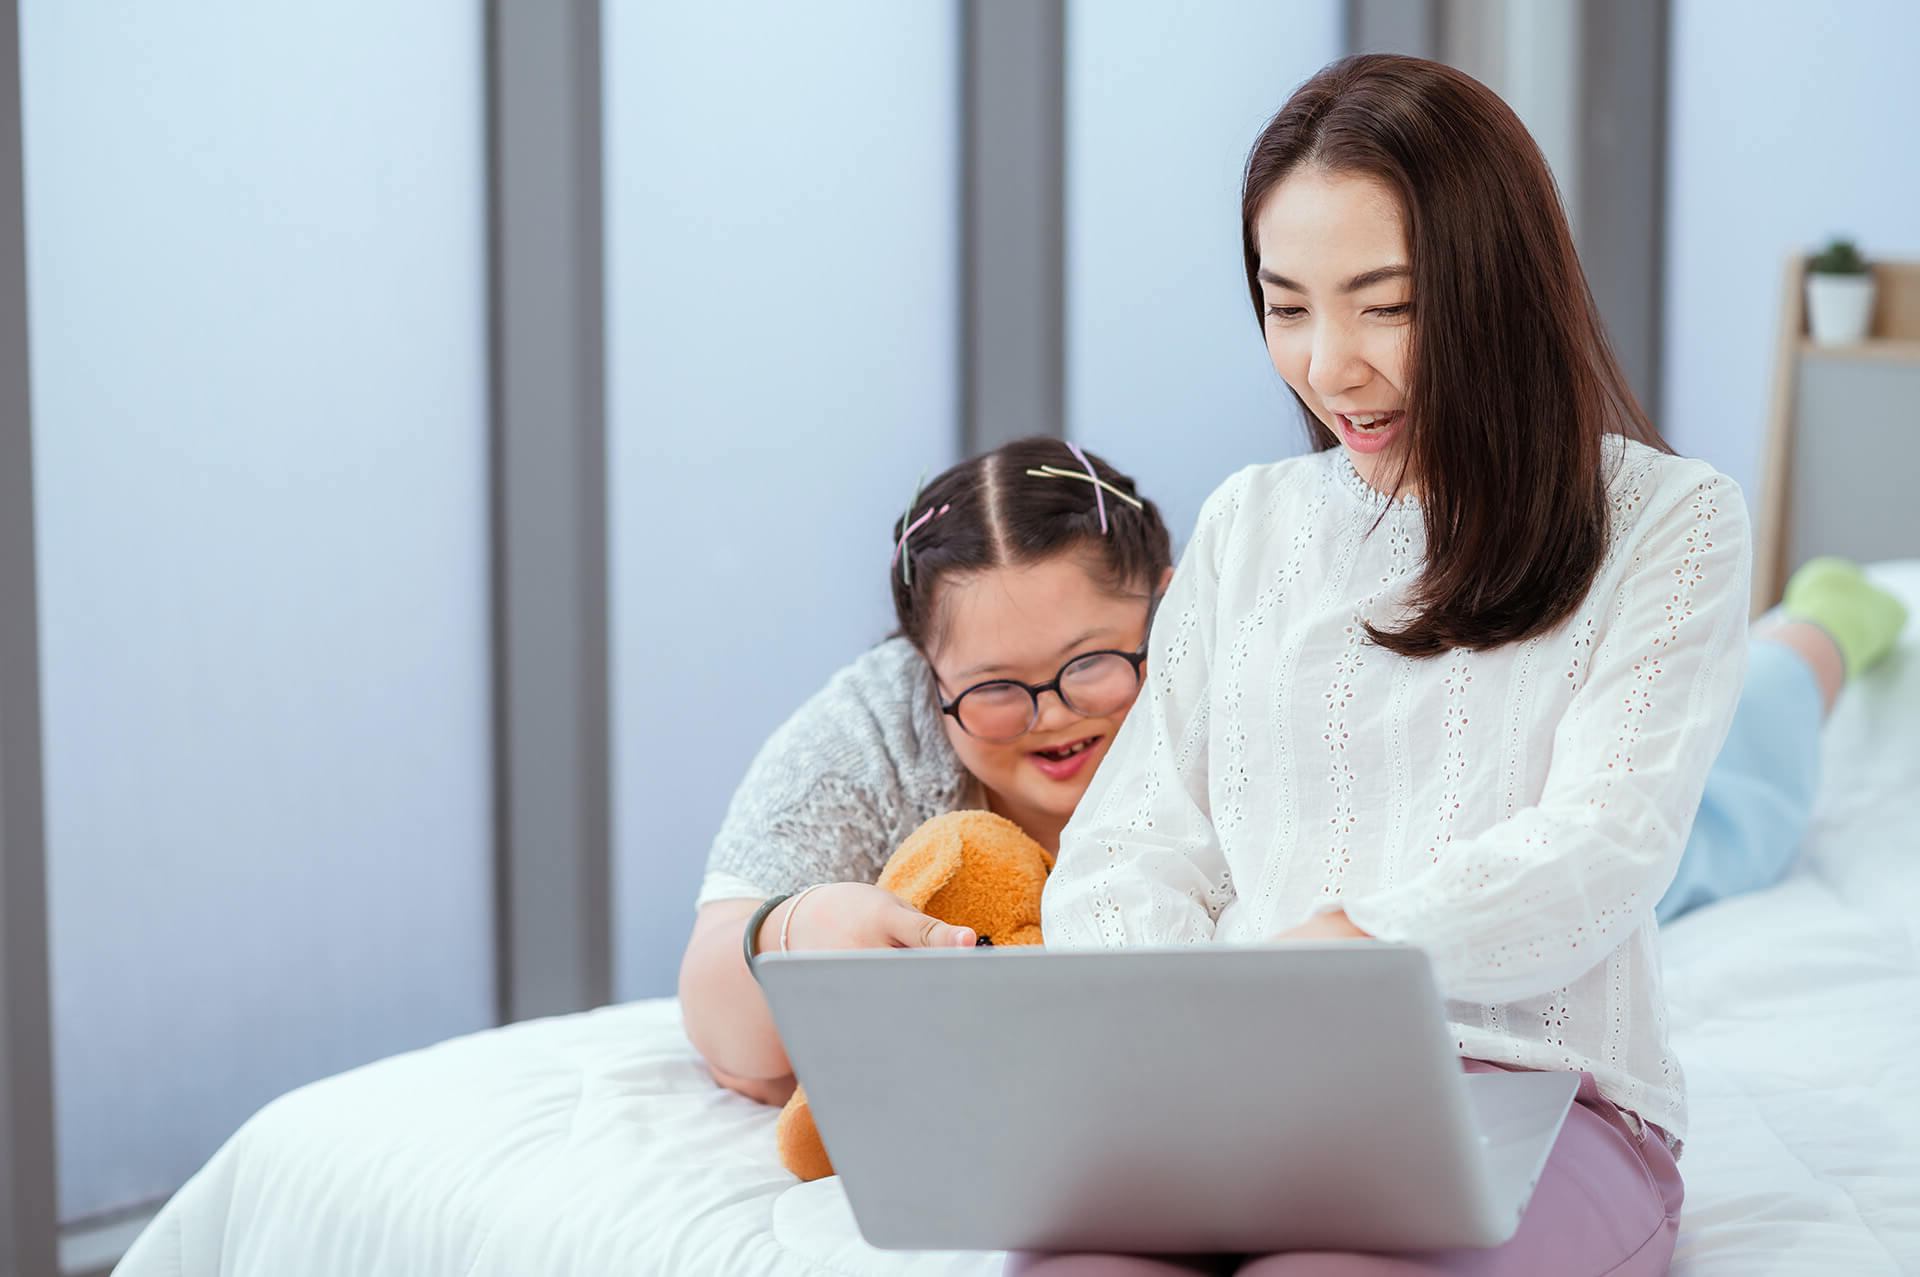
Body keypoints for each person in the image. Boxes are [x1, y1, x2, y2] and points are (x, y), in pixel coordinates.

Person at [1016, 55, 1903, 1276]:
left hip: (1534, 1090)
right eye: (1287, 306)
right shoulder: (1249, 521)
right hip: (1236, 1083)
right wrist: (1192, 1023)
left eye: (1386, 304)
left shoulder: (1668, 517)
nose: (1331, 366)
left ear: (1498, 287)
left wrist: (1353, 945)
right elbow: (1130, 842)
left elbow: (1609, 843)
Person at [676, 436, 1903, 1115]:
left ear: (1172, 612)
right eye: (994, 686)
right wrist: (790, 930)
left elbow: (1586, 851)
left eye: (1097, 664)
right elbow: (723, 1027)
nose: (1051, 718)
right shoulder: (878, 732)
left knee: (1726, 800)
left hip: (1394, 906)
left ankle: (1825, 626)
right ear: (924, 672)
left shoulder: (1235, 675)